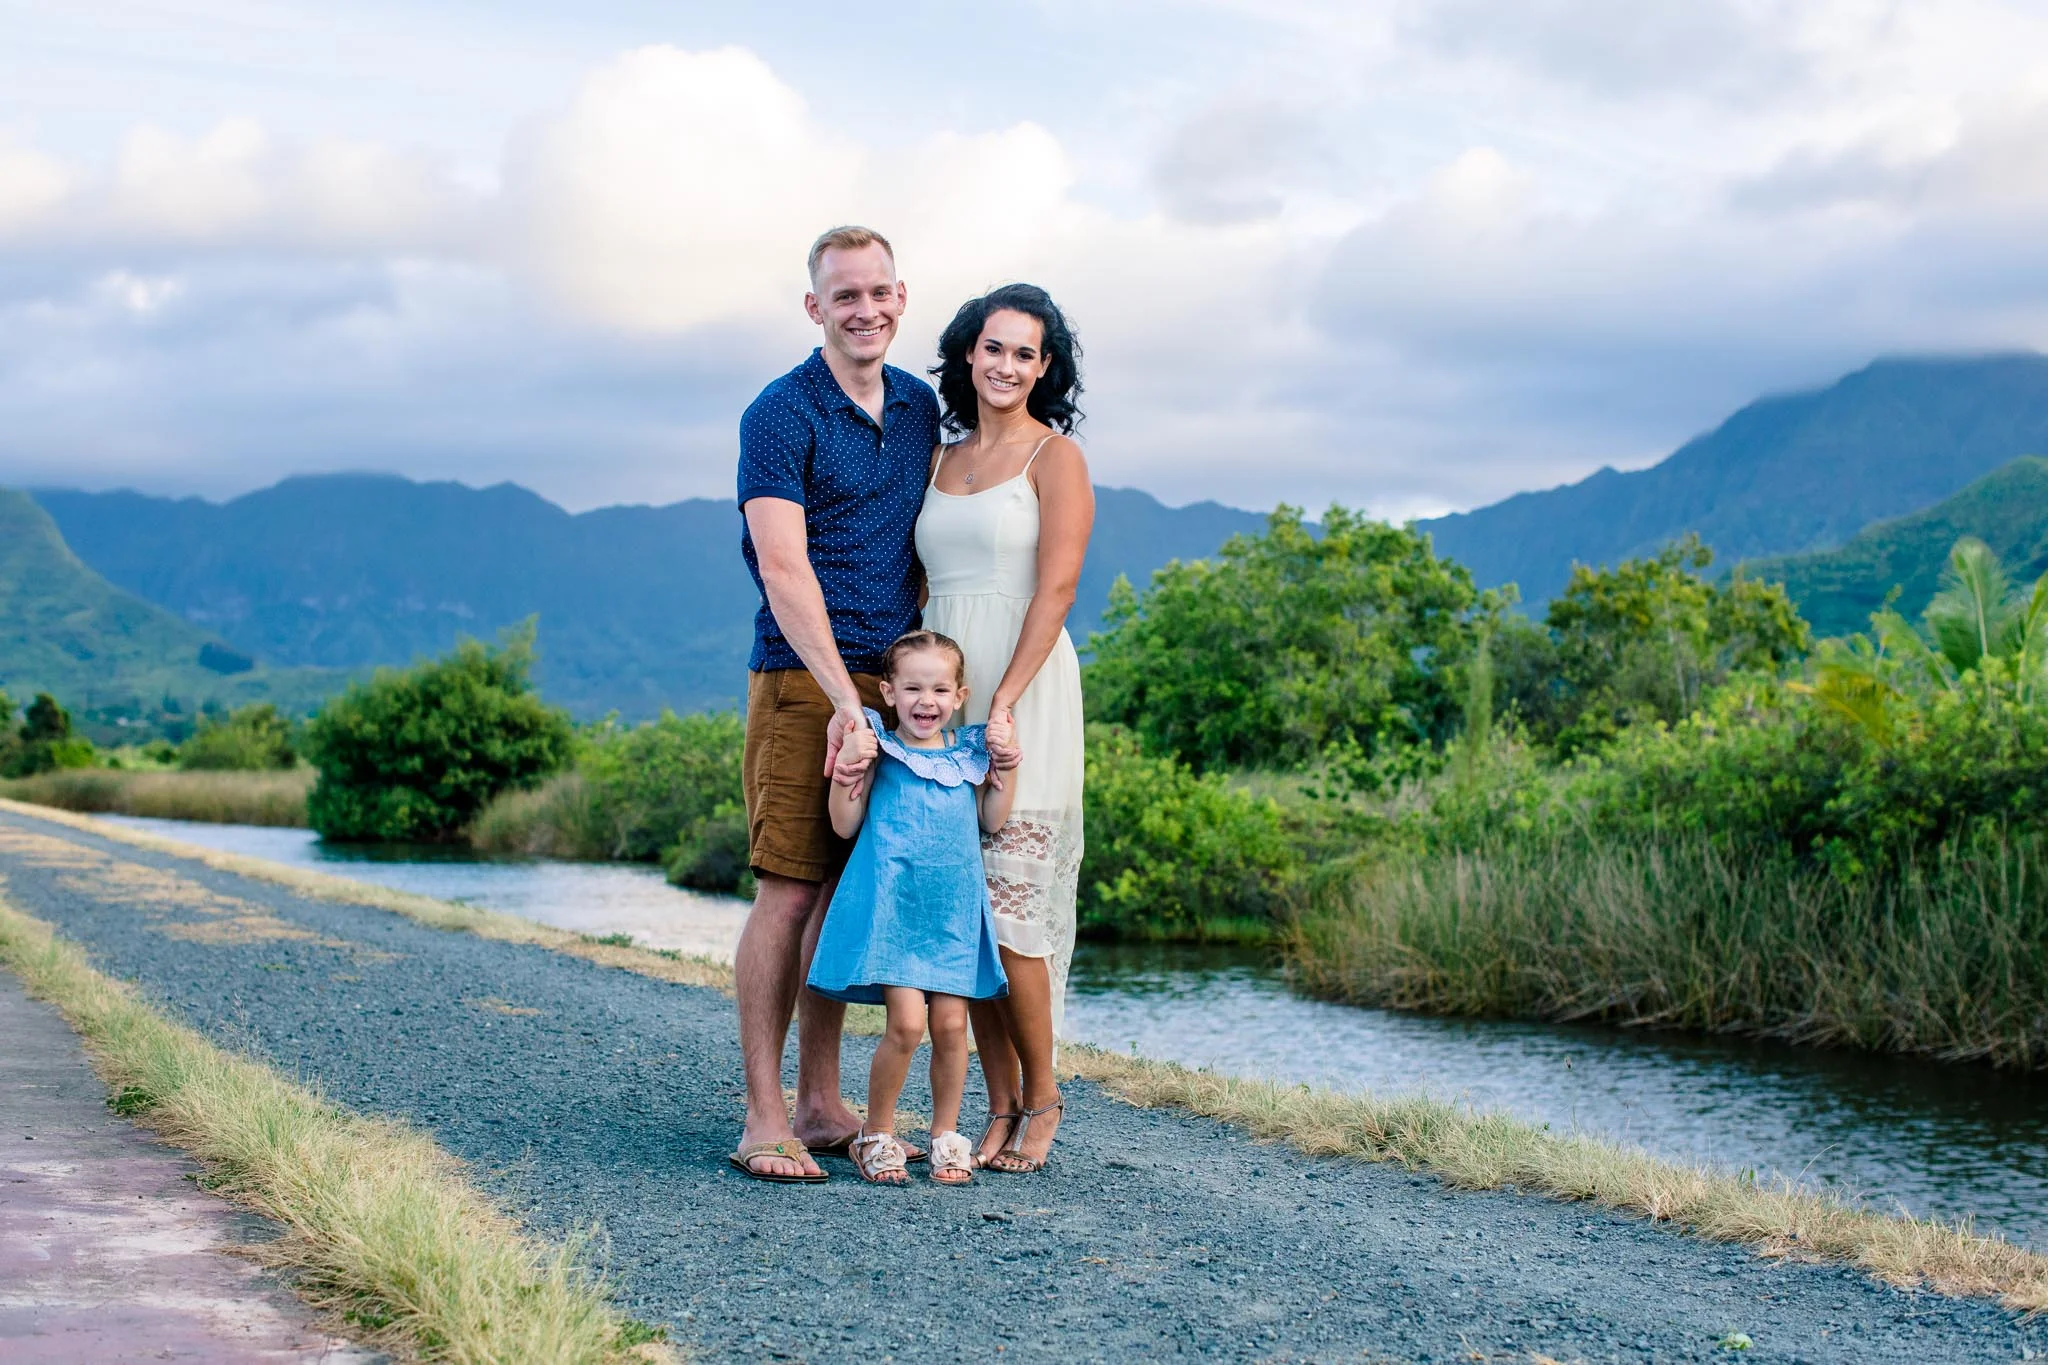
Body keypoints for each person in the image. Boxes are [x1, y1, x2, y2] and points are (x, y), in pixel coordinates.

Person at [726, 225, 943, 1183]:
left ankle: (821, 1100)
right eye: (844, 296)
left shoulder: (920, 406)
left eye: (880, 292)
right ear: (815, 308)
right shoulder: (779, 412)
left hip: (893, 684)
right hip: (801, 676)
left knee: (841, 900)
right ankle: (764, 1116)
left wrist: (898, 698)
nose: (866, 310)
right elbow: (783, 564)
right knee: (788, 888)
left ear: (903, 298)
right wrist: (839, 702)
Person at [917, 283, 1093, 1173]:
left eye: (1026, 353)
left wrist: (1006, 701)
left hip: (1023, 693)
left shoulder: (1054, 459)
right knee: (967, 918)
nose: (1007, 365)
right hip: (944, 700)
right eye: (994, 348)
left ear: (1044, 368)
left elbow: (1057, 589)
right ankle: (997, 1102)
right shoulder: (939, 459)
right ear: (968, 353)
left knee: (1016, 923)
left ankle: (1046, 1094)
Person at [806, 631, 1015, 1186]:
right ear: (888, 692)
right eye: (913, 687)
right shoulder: (880, 746)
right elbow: (844, 824)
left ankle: (945, 1136)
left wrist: (1006, 768)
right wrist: (848, 770)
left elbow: (991, 819)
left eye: (940, 688)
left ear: (960, 695)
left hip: (950, 914)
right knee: (906, 1023)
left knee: (950, 1026)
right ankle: (877, 1134)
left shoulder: (969, 753)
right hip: (896, 911)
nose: (928, 700)